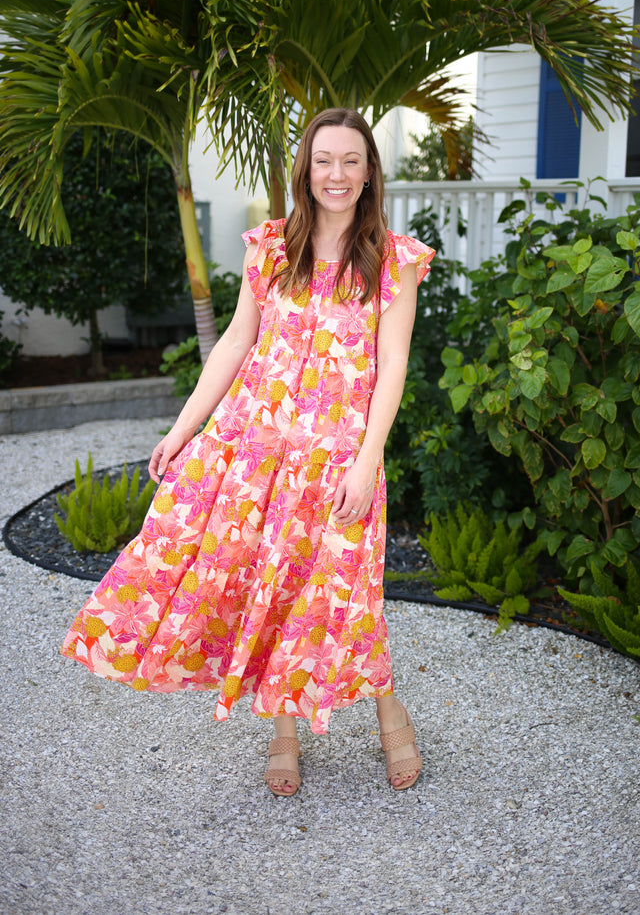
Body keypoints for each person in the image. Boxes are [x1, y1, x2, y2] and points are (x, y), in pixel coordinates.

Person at [62, 108, 435, 796]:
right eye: (325, 160)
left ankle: (391, 715)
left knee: (347, 596)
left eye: (352, 161)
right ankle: (284, 733)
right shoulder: (269, 248)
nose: (337, 174)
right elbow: (235, 342)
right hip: (255, 452)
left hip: (337, 462)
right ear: (305, 169)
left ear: (370, 172)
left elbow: (394, 364)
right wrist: (181, 430)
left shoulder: (395, 260)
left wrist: (367, 460)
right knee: (269, 587)